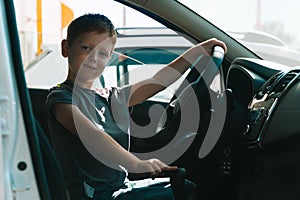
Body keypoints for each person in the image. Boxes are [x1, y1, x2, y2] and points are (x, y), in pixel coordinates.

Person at [45, 13, 227, 200]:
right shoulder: (60, 98)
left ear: (109, 59)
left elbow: (158, 80)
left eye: (102, 53)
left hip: (119, 187)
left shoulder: (110, 97)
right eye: (86, 48)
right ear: (66, 48)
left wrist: (197, 51)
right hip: (92, 195)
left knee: (186, 186)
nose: (93, 58)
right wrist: (136, 164)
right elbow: (92, 136)